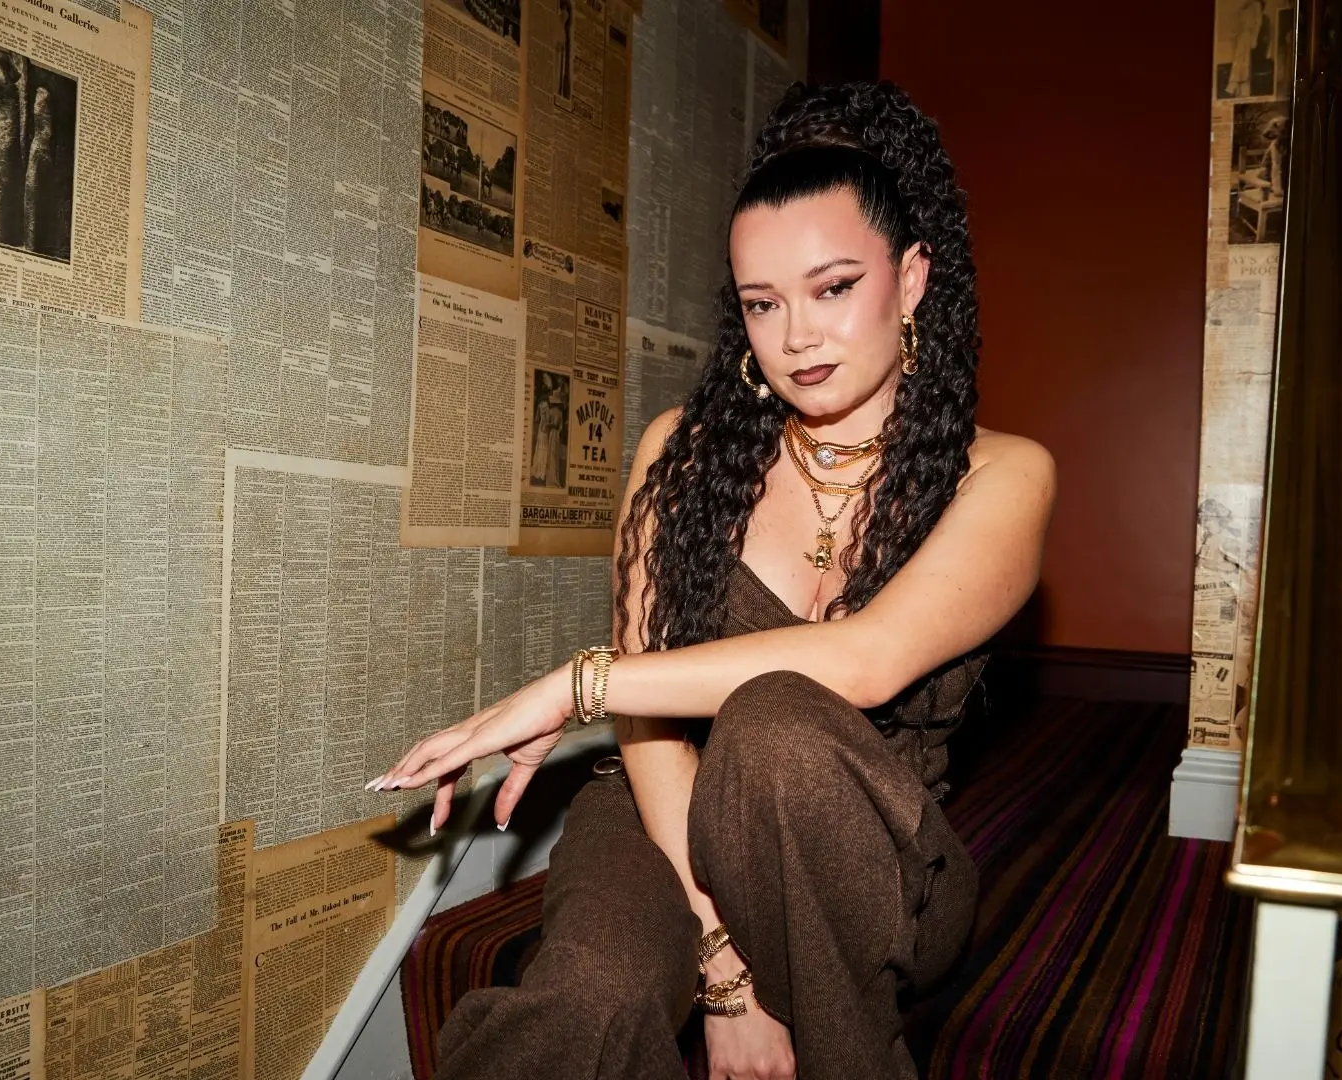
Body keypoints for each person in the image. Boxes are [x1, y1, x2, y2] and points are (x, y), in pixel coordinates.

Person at [370, 82, 1056, 1080]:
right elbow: (652, 734)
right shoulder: (681, 453)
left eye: (833, 288)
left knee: (777, 723)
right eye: (763, 304)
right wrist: (724, 969)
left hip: (867, 850)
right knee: (584, 1003)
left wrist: (577, 684)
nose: (797, 337)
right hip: (662, 806)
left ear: (911, 280)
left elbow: (863, 662)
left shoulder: (1005, 474)